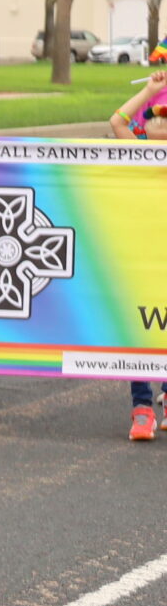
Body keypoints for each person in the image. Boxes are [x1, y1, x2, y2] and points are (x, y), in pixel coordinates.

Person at [104, 59, 167, 440]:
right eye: (154, 114)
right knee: (138, 331)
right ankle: (141, 407)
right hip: (141, 262)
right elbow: (116, 123)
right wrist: (148, 90)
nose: (160, 117)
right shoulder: (139, 153)